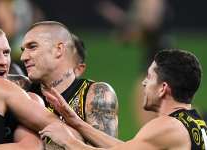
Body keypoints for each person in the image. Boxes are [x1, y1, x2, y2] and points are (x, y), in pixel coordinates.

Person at [39, 49, 207, 149]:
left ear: (163, 88)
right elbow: (124, 148)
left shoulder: (167, 126)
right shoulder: (193, 122)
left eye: (149, 77)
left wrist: (68, 141)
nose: (144, 83)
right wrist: (77, 123)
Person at [22, 21, 118, 140]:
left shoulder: (96, 94)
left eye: (32, 47)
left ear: (58, 50)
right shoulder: (21, 90)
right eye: (23, 50)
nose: (23, 57)